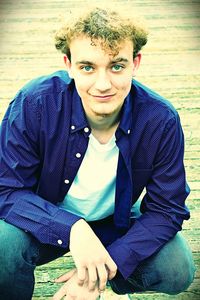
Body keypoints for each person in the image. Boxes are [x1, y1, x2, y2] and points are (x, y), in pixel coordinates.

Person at [0, 5, 196, 300]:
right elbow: (6, 190)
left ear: (136, 63)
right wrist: (73, 229)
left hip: (114, 223)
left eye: (117, 65)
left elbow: (167, 210)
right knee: (2, 245)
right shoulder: (35, 104)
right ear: (68, 64)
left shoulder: (160, 119)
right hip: (45, 216)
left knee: (176, 266)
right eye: (87, 67)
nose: (103, 85)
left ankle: (111, 287)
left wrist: (108, 266)